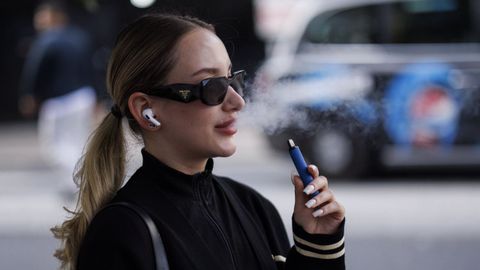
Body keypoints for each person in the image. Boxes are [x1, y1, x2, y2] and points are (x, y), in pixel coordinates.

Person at [51, 13, 346, 270]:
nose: (237, 101)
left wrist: (318, 242)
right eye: (212, 86)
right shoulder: (122, 232)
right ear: (146, 111)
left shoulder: (254, 207)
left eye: (232, 80)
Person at [18, 1, 96, 195]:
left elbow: (34, 71)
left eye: (42, 16)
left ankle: (79, 183)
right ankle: (85, 181)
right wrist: (99, 97)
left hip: (59, 101)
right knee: (77, 143)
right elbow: (93, 69)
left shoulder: (47, 39)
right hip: (84, 96)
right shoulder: (81, 37)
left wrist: (30, 95)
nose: (38, 21)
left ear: (54, 17)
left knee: (53, 148)